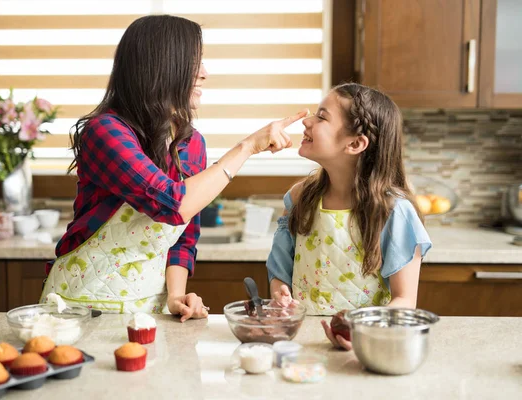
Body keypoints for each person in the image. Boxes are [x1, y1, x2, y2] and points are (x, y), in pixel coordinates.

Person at [40, 15, 307, 322]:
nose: (204, 74)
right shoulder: (105, 132)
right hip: (79, 308)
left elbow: (183, 234)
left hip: (147, 314)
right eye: (195, 63)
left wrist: (176, 296)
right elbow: (173, 204)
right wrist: (247, 147)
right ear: (161, 67)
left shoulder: (190, 143)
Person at [266, 83, 432, 348]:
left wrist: (358, 330)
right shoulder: (299, 198)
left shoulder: (394, 212)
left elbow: (404, 302)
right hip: (300, 342)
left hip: (365, 345)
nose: (307, 122)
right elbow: (280, 271)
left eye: (321, 117)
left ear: (355, 143)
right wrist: (280, 294)